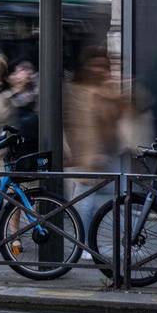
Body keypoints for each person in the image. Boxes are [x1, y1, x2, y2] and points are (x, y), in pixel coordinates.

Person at [65, 47, 126, 231]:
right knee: (87, 201)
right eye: (95, 65)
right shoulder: (76, 90)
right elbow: (73, 123)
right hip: (88, 153)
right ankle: (82, 243)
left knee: (120, 197)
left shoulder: (108, 89)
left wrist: (113, 97)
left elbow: (115, 118)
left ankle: (121, 242)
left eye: (103, 66)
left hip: (110, 151)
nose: (99, 70)